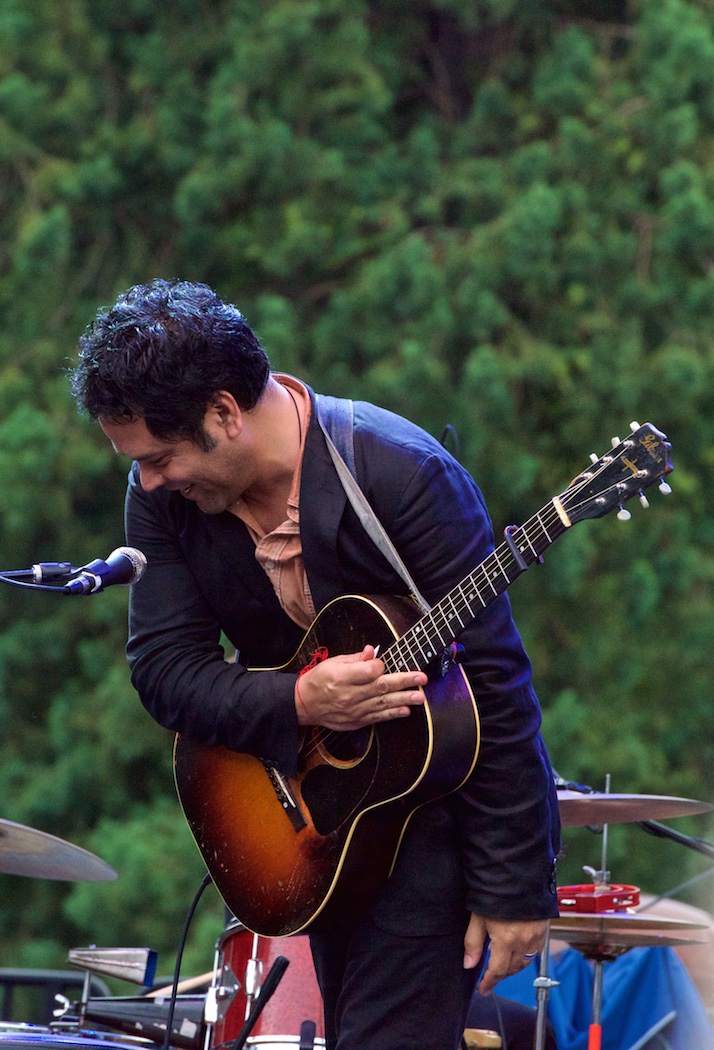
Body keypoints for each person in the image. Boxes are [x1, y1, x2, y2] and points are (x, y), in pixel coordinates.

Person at [69, 278, 561, 1050]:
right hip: (302, 820)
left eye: (160, 457)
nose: (150, 480)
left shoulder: (402, 474)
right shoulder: (161, 497)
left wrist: (514, 885)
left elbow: (496, 685)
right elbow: (163, 669)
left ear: (224, 413)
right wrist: (301, 703)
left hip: (424, 821)